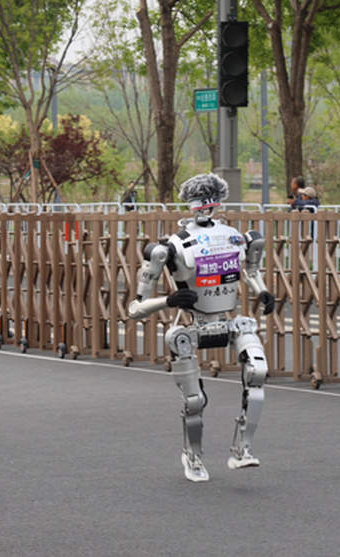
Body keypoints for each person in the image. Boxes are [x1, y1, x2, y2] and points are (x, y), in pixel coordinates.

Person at [128, 173, 275, 482]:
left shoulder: (235, 236)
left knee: (258, 372)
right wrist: (169, 300)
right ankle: (192, 456)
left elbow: (251, 269)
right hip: (192, 325)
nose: (205, 209)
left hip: (229, 319)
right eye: (200, 203)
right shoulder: (169, 247)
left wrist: (262, 291)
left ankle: (242, 449)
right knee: (195, 400)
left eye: (210, 202)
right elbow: (134, 308)